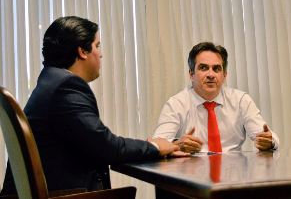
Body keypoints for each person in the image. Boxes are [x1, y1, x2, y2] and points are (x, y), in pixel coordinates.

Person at [1, 16, 187, 194]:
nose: (101, 53)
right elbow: (107, 147)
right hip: (69, 195)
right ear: (82, 51)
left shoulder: (50, 81)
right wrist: (155, 147)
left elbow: (96, 142)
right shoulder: (66, 87)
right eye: (97, 45)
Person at [153, 42, 279, 153]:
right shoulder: (176, 104)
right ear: (191, 74)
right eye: (203, 68)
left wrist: (269, 141)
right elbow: (158, 144)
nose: (211, 74)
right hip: (190, 173)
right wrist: (177, 145)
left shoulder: (241, 100)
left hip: (233, 173)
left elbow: (268, 137)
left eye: (216, 69)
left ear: (224, 75)